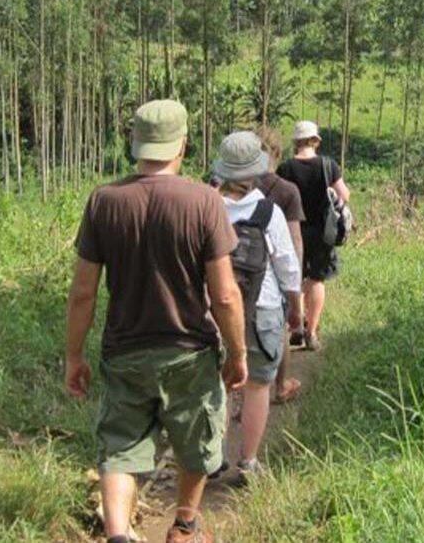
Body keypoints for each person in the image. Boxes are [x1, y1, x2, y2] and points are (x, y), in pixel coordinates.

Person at [65, 99, 246, 543]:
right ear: (182, 145)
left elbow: (83, 292)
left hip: (124, 351)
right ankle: (184, 525)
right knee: (195, 442)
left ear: (136, 144)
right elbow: (224, 294)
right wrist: (239, 352)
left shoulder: (104, 202)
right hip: (188, 352)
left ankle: (118, 535)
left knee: (120, 449)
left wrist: (73, 355)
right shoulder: (204, 202)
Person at [212, 131, 302, 477]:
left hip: (215, 307)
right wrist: (295, 309)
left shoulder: (205, 206)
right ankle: (248, 462)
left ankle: (213, 456)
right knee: (258, 385)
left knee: (216, 382)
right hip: (262, 307)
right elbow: (287, 267)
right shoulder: (270, 212)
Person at [276, 121, 350, 351]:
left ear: (296, 142)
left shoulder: (286, 168)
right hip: (322, 233)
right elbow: (344, 194)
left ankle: (296, 327)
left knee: (295, 279)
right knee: (317, 279)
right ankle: (311, 332)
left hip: (292, 229)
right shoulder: (328, 166)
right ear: (315, 141)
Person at [256, 128, 305, 404]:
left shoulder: (239, 186)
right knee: (282, 329)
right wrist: (294, 286)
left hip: (239, 271)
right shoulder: (287, 191)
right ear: (277, 153)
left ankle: (238, 393)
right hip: (273, 275)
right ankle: (281, 384)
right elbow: (295, 240)